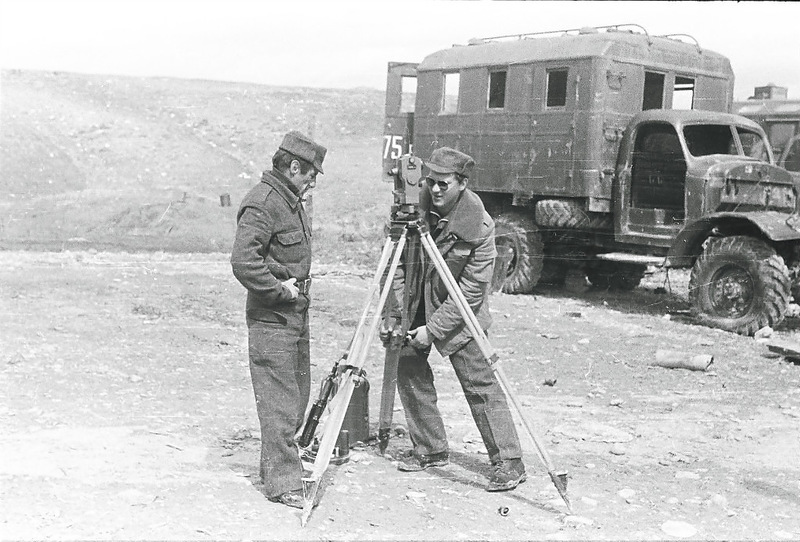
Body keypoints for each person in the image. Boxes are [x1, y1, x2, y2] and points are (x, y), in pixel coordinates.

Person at [381, 146, 526, 492]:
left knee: (479, 382)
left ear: (462, 183)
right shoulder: (411, 208)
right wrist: (396, 312)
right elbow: (394, 266)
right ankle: (430, 448)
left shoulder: (480, 225)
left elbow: (472, 292)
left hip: (458, 311)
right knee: (407, 365)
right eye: (431, 181)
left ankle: (509, 461)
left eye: (443, 183)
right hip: (416, 299)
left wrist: (432, 331)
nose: (435, 189)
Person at [230, 130, 326, 509]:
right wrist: (279, 290)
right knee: (279, 401)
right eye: (311, 174)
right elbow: (244, 262)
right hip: (272, 317)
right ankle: (283, 483)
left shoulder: (291, 201)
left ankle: (278, 468)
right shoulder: (263, 203)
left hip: (295, 314)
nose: (313, 181)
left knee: (296, 395)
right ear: (294, 166)